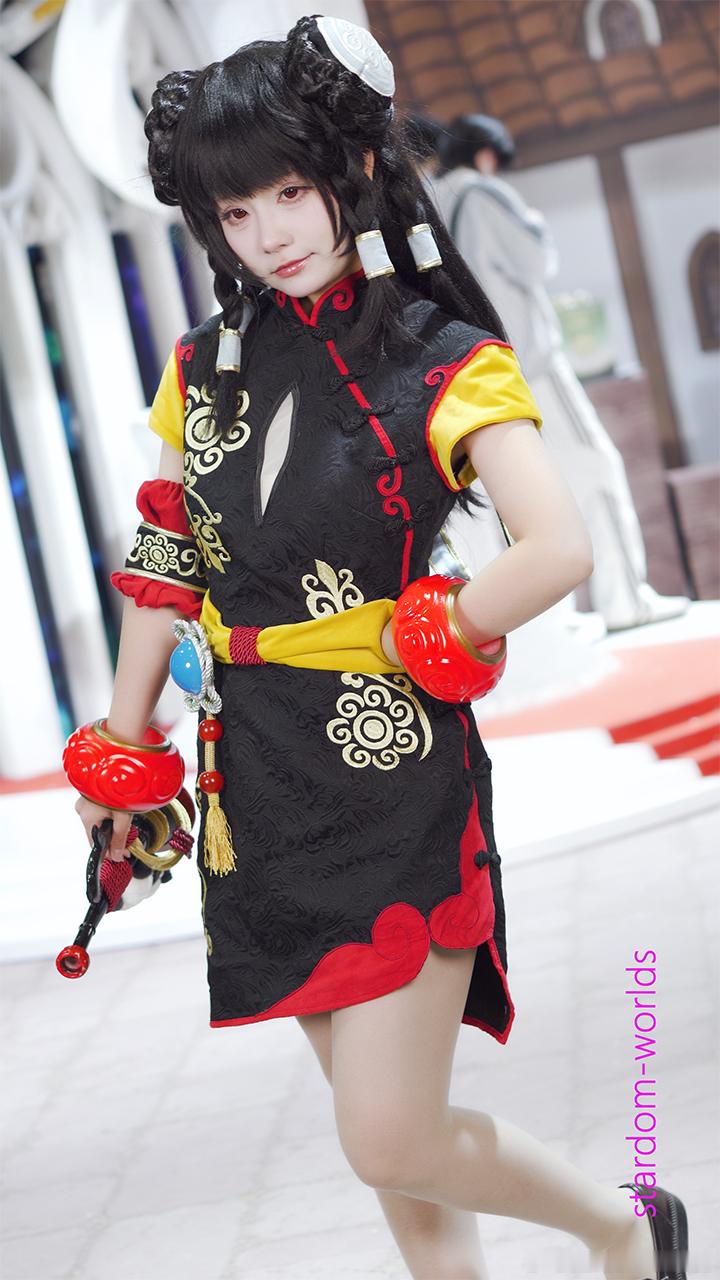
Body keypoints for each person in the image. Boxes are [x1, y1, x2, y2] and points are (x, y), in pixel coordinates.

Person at [71, 17, 687, 1280]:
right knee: (395, 1149)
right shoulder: (202, 369)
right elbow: (169, 562)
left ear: (350, 170)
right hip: (253, 781)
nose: (269, 233)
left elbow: (558, 544)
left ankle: (625, 1225)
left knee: (389, 1131)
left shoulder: (443, 356)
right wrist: (122, 756)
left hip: (390, 762)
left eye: (290, 193)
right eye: (236, 212)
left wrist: (435, 628)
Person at [429, 113, 690, 634]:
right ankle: (625, 600)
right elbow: (537, 261)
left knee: (515, 499)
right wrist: (532, 219)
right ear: (487, 154)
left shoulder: (435, 201)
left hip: (479, 371)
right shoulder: (483, 193)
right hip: (531, 366)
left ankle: (553, 625)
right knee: (597, 466)